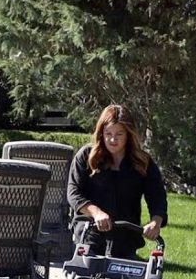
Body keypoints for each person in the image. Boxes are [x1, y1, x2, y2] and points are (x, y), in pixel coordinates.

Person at [67, 104, 169, 259]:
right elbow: (73, 193)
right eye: (108, 133)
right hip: (90, 236)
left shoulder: (142, 162)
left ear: (128, 135)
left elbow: (157, 196)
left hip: (126, 239)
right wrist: (96, 213)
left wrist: (156, 221)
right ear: (101, 133)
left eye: (119, 134)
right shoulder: (87, 156)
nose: (113, 139)